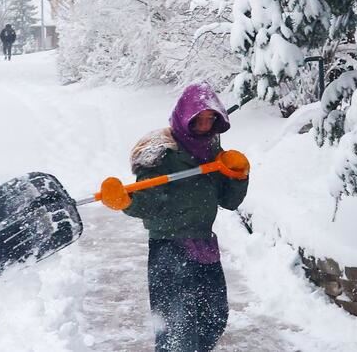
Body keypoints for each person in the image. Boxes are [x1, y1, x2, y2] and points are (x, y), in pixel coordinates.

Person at [99, 82, 250, 352]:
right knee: (176, 330)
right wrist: (125, 201)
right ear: (184, 118)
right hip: (169, 248)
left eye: (209, 119)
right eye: (198, 120)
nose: (204, 126)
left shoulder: (213, 152)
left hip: (204, 244)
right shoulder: (162, 155)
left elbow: (229, 201)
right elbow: (148, 204)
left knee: (214, 318)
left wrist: (238, 175)